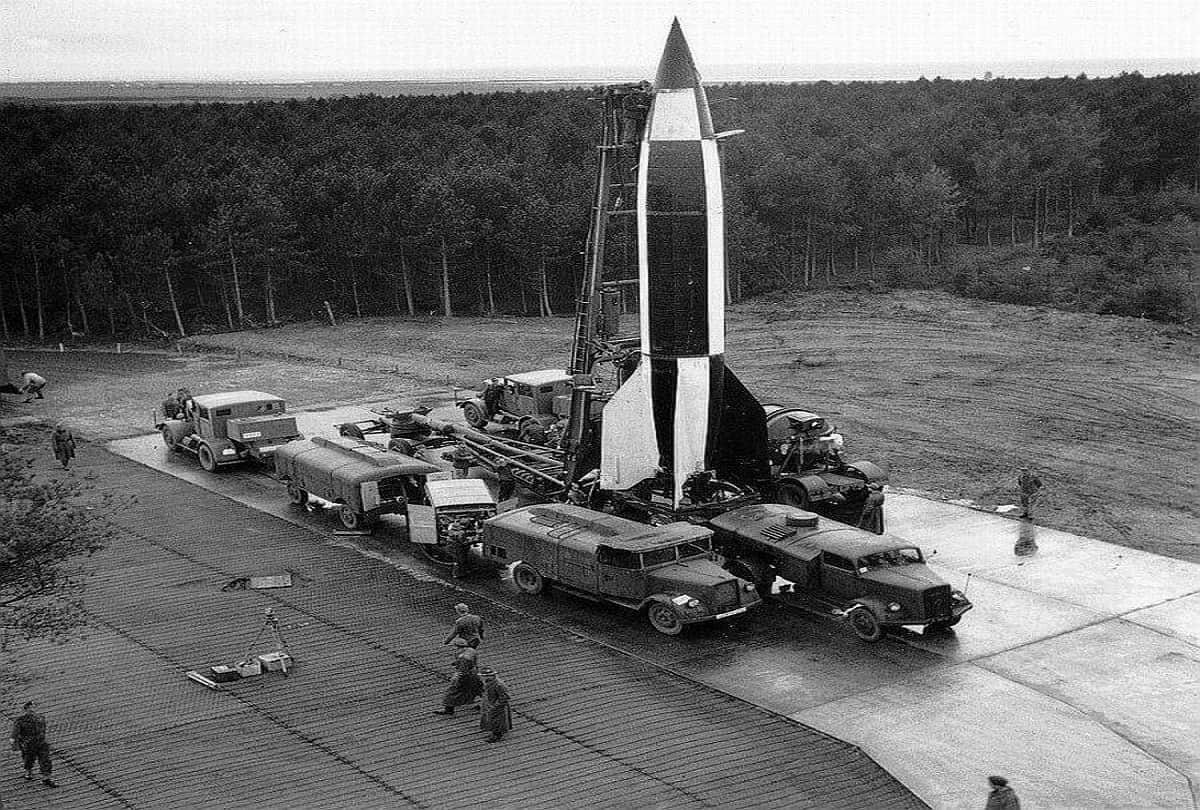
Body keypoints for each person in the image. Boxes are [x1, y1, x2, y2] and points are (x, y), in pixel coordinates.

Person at [10, 700, 56, 788]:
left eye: (35, 708)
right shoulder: (20, 720)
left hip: (41, 742)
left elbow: (43, 730)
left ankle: (46, 778)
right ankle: (28, 771)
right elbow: (14, 734)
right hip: (28, 744)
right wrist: (15, 745)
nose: (33, 710)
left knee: (45, 760)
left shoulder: (41, 718)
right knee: (29, 759)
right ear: (26, 709)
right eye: (31, 708)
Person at [433, 647, 484, 716]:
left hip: (467, 677)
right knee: (480, 690)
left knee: (452, 693)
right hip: (475, 674)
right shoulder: (471, 651)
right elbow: (473, 663)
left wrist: (457, 682)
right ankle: (487, 704)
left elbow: (463, 672)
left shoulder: (464, 658)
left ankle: (449, 710)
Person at [478, 667, 512, 743]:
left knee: (497, 721)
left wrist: (495, 706)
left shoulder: (499, 685)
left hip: (497, 706)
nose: (483, 677)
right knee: (489, 718)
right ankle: (492, 731)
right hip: (489, 703)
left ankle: (497, 735)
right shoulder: (487, 682)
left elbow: (505, 697)